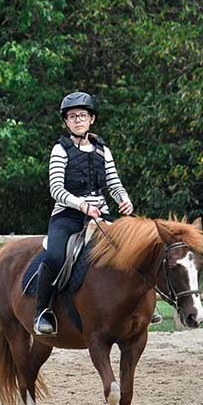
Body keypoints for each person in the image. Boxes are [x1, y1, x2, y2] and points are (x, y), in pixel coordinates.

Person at [33, 91, 148, 336]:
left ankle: (144, 306)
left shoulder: (103, 150)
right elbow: (56, 189)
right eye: (72, 116)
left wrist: (124, 200)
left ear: (91, 119)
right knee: (54, 256)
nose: (77, 120)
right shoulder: (59, 150)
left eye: (82, 115)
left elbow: (114, 183)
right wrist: (81, 205)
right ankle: (42, 311)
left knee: (134, 251)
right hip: (68, 216)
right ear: (66, 122)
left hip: (101, 216)